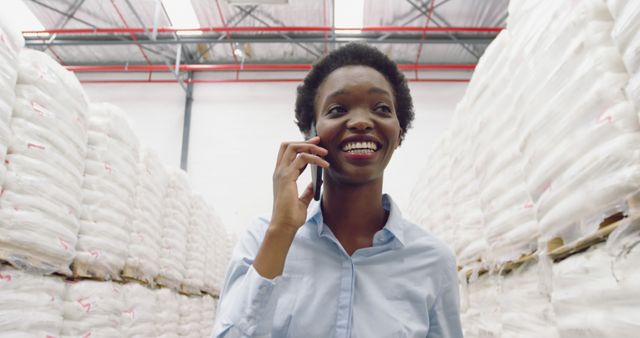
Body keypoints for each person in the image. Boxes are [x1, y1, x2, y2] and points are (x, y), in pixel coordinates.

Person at [212, 43, 463, 338]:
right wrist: (281, 231)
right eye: (338, 109)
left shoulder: (432, 261)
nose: (360, 121)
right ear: (310, 132)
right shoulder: (262, 240)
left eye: (381, 108)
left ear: (399, 132)